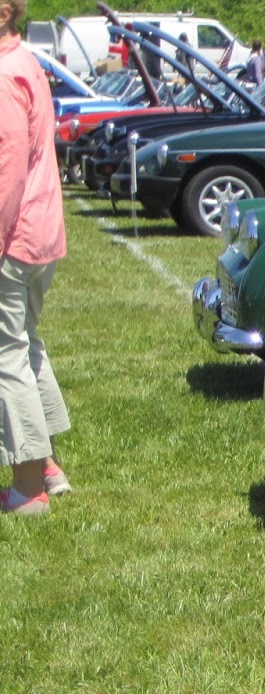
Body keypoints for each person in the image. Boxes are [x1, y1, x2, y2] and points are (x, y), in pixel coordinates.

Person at [0, 0, 72, 515]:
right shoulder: (25, 60)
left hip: (15, 234)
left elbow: (8, 170)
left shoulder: (5, 73)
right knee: (24, 344)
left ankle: (27, 490)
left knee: (6, 355)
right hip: (40, 229)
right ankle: (47, 466)